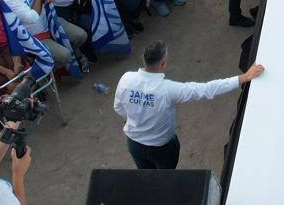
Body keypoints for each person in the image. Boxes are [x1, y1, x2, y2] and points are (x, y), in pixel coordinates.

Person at [113, 39, 265, 170]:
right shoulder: (168, 89)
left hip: (134, 144)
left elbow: (118, 107)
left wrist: (136, 120)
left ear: (144, 58)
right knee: (166, 177)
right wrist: (243, 77)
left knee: (146, 177)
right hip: (162, 147)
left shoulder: (126, 79)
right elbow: (206, 89)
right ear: (164, 64)